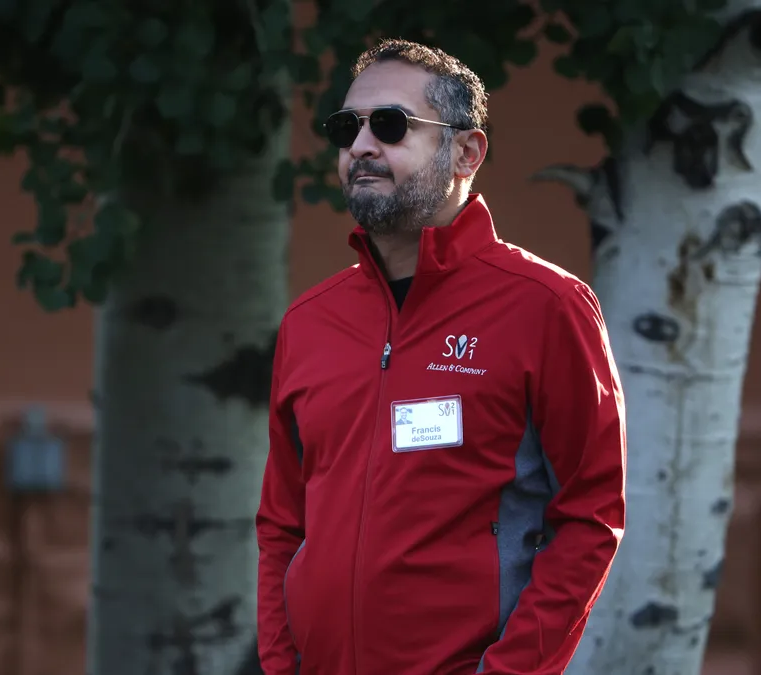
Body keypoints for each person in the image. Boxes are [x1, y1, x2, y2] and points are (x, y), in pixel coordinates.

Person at [255, 38, 627, 675]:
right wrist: (281, 663)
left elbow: (591, 517)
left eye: (391, 125)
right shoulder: (308, 323)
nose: (361, 147)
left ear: (466, 151)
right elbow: (281, 524)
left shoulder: (546, 306)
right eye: (347, 128)